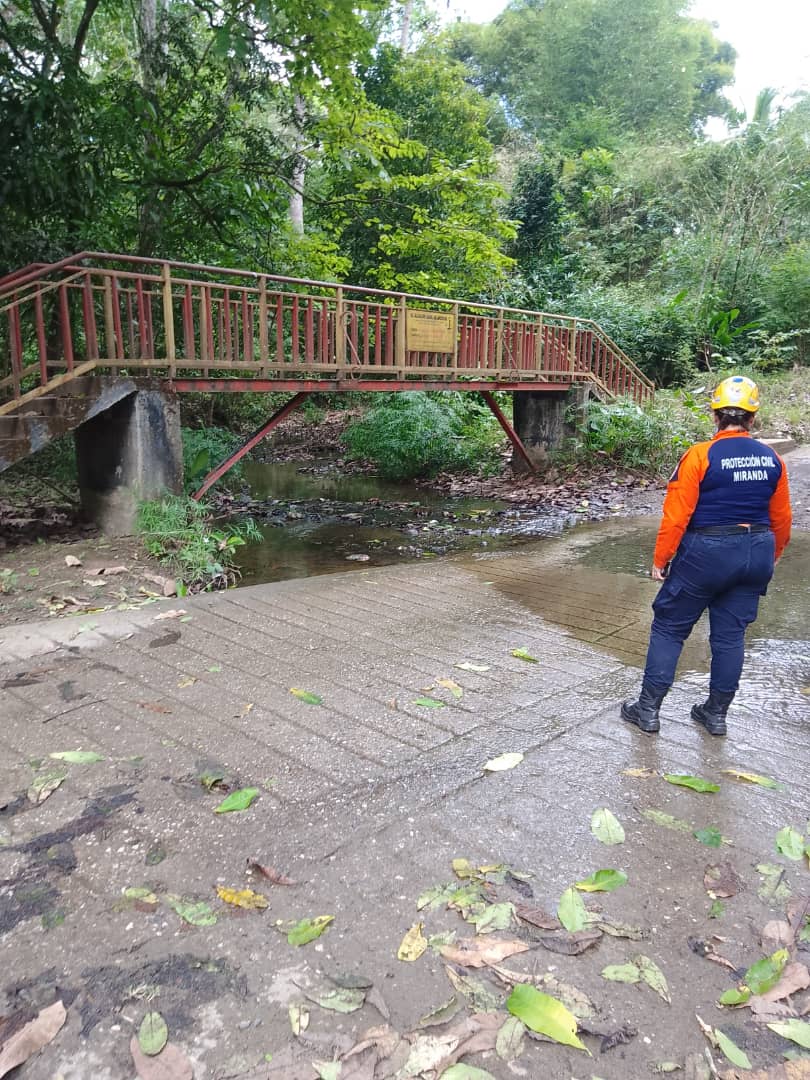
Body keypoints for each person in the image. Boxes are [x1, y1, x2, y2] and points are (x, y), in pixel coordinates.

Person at [622, 375, 792, 737]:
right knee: (730, 637)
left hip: (708, 552)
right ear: (753, 418)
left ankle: (648, 710)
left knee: (669, 626)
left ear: (715, 416)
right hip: (757, 550)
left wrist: (661, 559)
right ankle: (715, 715)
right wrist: (771, 556)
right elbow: (781, 519)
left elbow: (676, 515)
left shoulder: (700, 455)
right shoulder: (772, 458)